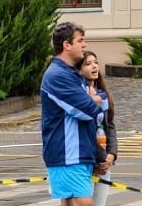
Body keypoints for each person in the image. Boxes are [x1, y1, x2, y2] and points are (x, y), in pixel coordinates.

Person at [41, 22, 105, 206]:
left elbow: (95, 104)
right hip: (68, 154)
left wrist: (94, 101)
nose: (84, 45)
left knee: (71, 203)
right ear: (66, 45)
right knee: (83, 203)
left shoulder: (71, 74)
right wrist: (94, 102)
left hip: (77, 153)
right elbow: (87, 110)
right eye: (80, 41)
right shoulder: (58, 75)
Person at [77, 51, 118, 206]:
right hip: (88, 161)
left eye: (95, 62)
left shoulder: (103, 96)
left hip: (104, 162)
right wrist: (101, 158)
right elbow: (85, 131)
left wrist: (111, 154)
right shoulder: (79, 97)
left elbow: (110, 126)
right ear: (79, 71)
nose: (94, 66)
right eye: (88, 64)